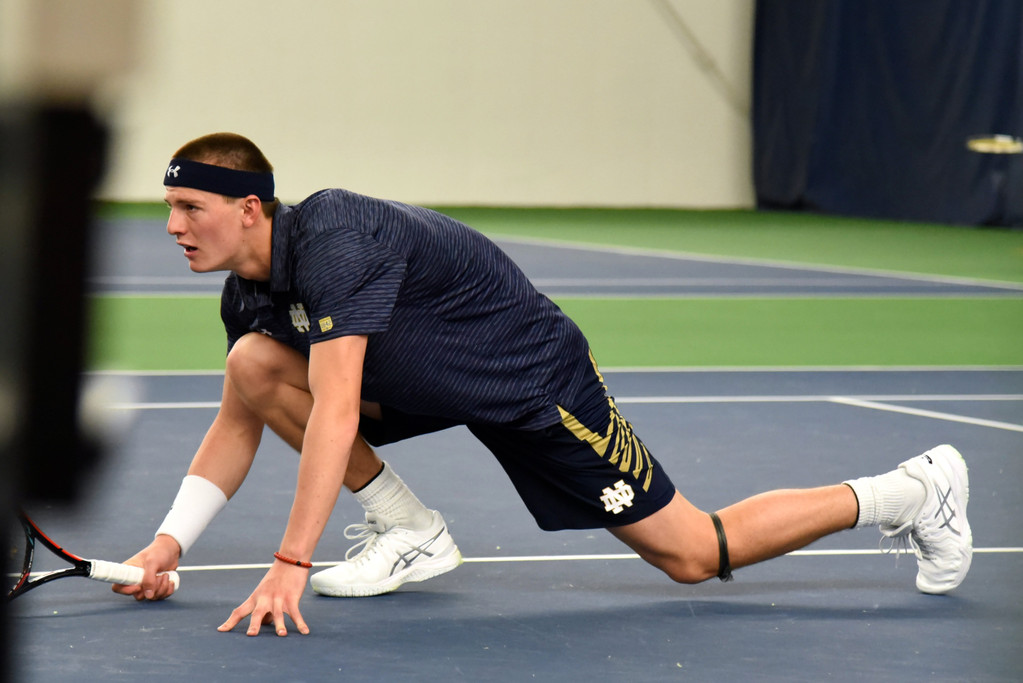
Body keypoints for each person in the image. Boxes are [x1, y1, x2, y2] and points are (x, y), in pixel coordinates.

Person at [114, 132, 973, 636]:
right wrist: (168, 544)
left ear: (250, 208)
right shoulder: (249, 293)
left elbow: (336, 409)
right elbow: (239, 419)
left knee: (691, 552)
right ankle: (410, 529)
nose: (173, 225)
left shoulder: (334, 238)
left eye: (191, 208)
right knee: (254, 364)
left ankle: (906, 493)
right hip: (425, 375)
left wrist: (289, 563)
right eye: (169, 207)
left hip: (529, 379)